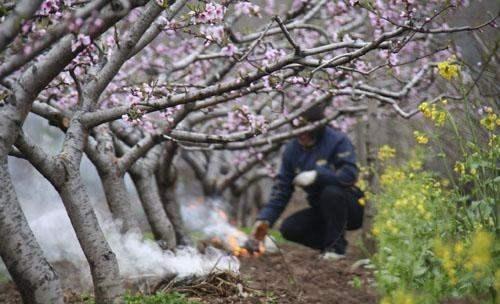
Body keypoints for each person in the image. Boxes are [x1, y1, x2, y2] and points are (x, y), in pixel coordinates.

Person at [251, 104, 364, 261]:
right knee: (289, 228)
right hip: (320, 209)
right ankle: (331, 244)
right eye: (298, 130)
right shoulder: (292, 150)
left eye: (306, 130)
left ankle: (336, 249)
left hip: (350, 207)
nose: (301, 135)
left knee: (330, 192)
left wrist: (318, 175)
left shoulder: (338, 141)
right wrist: (265, 219)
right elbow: (282, 189)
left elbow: (349, 174)